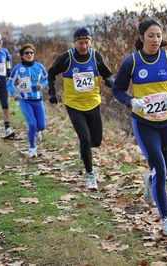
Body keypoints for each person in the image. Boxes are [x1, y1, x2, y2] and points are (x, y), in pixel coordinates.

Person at [112, 18, 167, 237]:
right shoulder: (131, 62)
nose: (156, 39)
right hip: (144, 123)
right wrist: (130, 101)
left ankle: (150, 179)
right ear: (141, 37)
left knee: (164, 172)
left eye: (159, 35)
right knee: (160, 170)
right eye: (151, 35)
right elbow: (117, 89)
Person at [48, 27, 114, 190]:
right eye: (80, 43)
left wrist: (109, 80)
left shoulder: (95, 56)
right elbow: (51, 72)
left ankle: (84, 149)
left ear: (90, 42)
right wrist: (52, 92)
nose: (83, 46)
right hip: (74, 105)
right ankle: (90, 175)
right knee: (85, 139)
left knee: (96, 141)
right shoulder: (67, 58)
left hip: (93, 103)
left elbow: (107, 73)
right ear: (74, 43)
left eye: (86, 43)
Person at [7, 43, 48, 158]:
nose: (29, 54)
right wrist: (14, 94)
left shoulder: (39, 67)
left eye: (31, 52)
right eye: (26, 53)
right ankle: (32, 148)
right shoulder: (18, 69)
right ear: (22, 56)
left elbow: (47, 79)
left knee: (41, 126)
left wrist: (42, 85)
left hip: (38, 100)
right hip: (25, 101)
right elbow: (9, 83)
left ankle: (37, 131)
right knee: (32, 124)